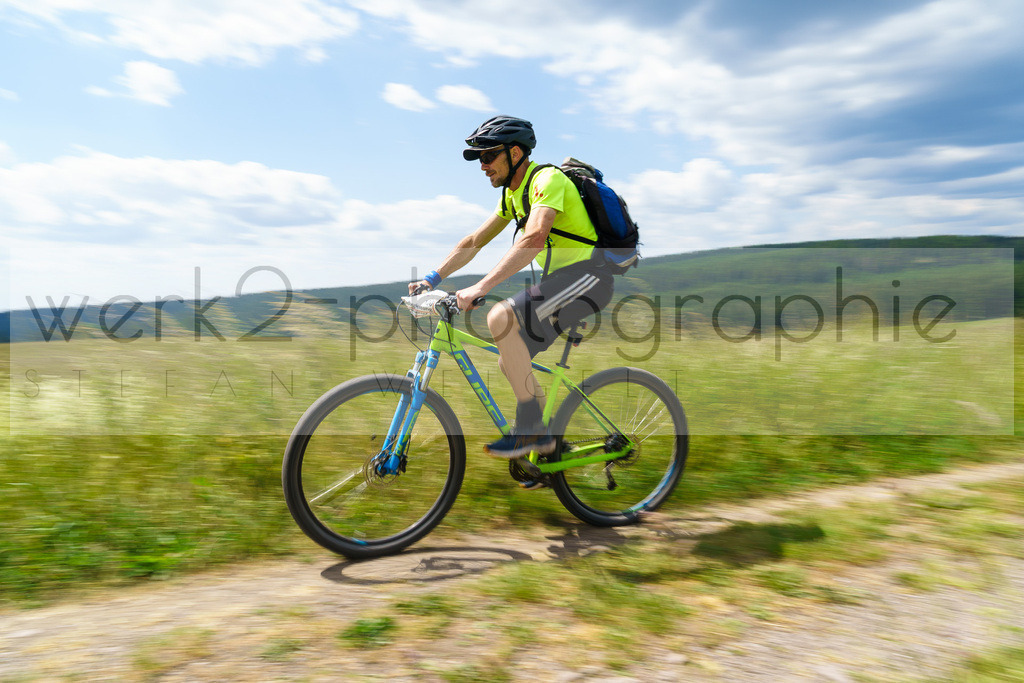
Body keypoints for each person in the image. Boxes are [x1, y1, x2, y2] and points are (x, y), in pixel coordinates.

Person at [410, 115, 614, 470]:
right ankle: (544, 452)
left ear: (515, 152)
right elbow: (474, 241)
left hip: (590, 277)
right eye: (479, 159)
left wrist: (481, 287)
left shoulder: (546, 180)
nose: (483, 166)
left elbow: (535, 237)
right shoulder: (512, 194)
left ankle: (534, 432)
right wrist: (432, 278)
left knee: (500, 316)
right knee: (510, 357)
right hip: (563, 281)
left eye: (488, 157)